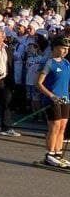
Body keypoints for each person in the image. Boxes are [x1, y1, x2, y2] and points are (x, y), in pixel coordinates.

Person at [36, 36, 70, 168]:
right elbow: (38, 83)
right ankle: (49, 154)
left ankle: (58, 154)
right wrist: (52, 96)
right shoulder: (48, 62)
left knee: (62, 127)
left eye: (67, 49)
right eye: (63, 48)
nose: (65, 51)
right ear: (55, 48)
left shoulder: (67, 63)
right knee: (54, 127)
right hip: (52, 99)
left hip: (65, 98)